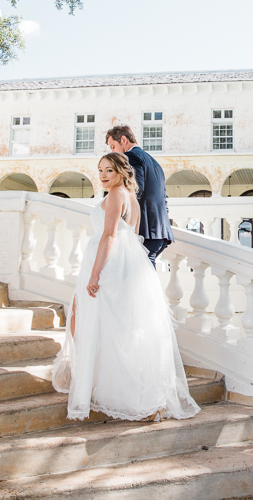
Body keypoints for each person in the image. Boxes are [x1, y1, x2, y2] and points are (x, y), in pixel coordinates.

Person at [51, 153, 200, 422]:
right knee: (113, 327)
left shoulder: (117, 196)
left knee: (90, 322)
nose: (103, 175)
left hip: (108, 264)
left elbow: (109, 236)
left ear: (121, 171)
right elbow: (131, 236)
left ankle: (105, 386)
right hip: (126, 263)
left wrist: (95, 274)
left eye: (109, 170)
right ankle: (114, 386)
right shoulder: (131, 198)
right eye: (100, 170)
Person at [105, 125, 173, 268]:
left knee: (143, 277)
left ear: (123, 140)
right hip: (159, 231)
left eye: (113, 146)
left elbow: (135, 189)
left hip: (145, 231)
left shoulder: (131, 157)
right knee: (142, 276)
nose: (112, 152)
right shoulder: (155, 163)